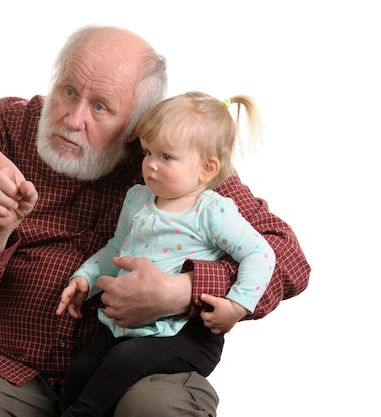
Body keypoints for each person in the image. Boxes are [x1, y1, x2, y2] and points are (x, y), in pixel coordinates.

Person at [0, 24, 311, 417]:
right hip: (12, 367)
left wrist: (182, 290)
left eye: (100, 107)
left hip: (143, 367)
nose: (73, 120)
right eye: (69, 91)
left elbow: (287, 258)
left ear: (136, 127)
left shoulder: (172, 155)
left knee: (159, 410)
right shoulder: (2, 129)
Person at [56, 91, 276, 416]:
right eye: (148, 152)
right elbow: (117, 248)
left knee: (121, 364)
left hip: (186, 335)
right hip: (126, 328)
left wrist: (238, 305)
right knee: (79, 370)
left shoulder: (211, 211)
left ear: (206, 168)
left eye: (166, 157)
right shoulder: (138, 199)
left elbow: (261, 254)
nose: (151, 165)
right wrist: (86, 279)